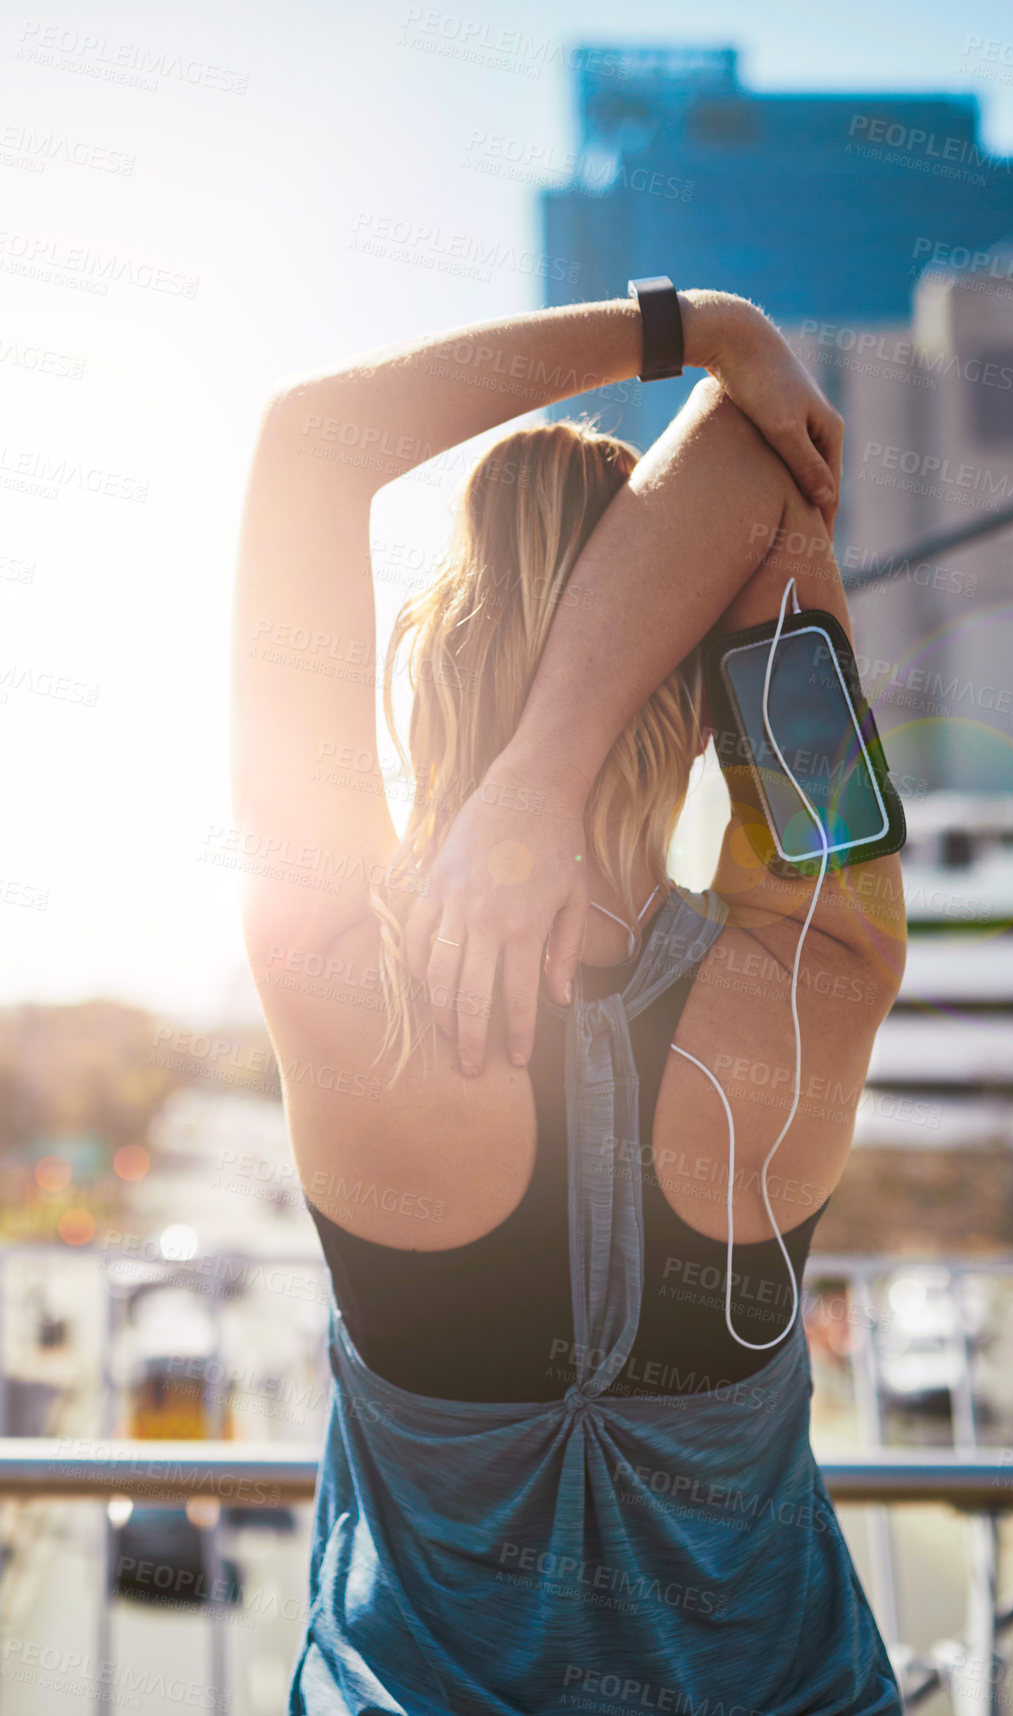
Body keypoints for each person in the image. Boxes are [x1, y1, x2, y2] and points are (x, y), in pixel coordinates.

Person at [232, 287, 908, 1714]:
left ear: (436, 659)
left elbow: (308, 444)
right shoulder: (823, 967)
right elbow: (762, 470)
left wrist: (693, 325)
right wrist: (562, 755)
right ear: (686, 684)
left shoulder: (337, 977)